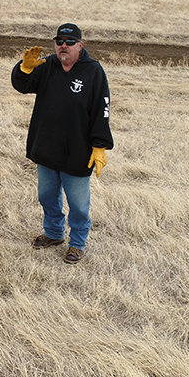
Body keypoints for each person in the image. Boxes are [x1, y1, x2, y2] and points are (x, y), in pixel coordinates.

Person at [11, 23, 113, 264]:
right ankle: (54, 233)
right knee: (47, 196)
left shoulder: (93, 71)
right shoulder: (46, 65)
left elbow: (103, 108)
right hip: (46, 147)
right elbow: (21, 86)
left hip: (78, 151)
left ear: (80, 45)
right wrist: (24, 68)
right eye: (59, 42)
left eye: (69, 42)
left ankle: (77, 244)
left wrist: (99, 145)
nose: (63, 46)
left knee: (78, 204)